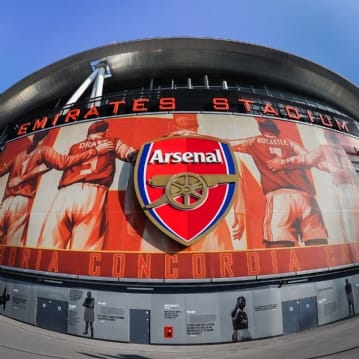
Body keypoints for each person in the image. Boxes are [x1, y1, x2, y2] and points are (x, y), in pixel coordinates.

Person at [228, 118, 328, 248]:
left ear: (260, 129)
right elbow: (312, 160)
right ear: (278, 130)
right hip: (307, 198)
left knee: (279, 244)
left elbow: (227, 143)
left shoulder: (253, 141)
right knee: (317, 243)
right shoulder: (290, 143)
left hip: (280, 198)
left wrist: (195, 136)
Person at [37, 120, 137, 250]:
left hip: (64, 194)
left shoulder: (74, 146)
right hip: (92, 193)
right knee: (86, 249)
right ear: (105, 132)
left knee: (47, 245)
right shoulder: (111, 142)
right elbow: (131, 154)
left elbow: (56, 162)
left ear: (88, 134)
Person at [0, 130, 111, 246]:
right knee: (12, 244)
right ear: (47, 135)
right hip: (21, 200)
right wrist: (95, 151)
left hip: (7, 201)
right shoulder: (44, 150)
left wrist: (20, 178)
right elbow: (62, 163)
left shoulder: (20, 155)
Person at [267, 130, 359, 243]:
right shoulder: (345, 149)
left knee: (350, 223)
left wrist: (283, 163)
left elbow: (307, 159)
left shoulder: (326, 149)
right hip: (349, 187)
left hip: (346, 188)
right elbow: (316, 162)